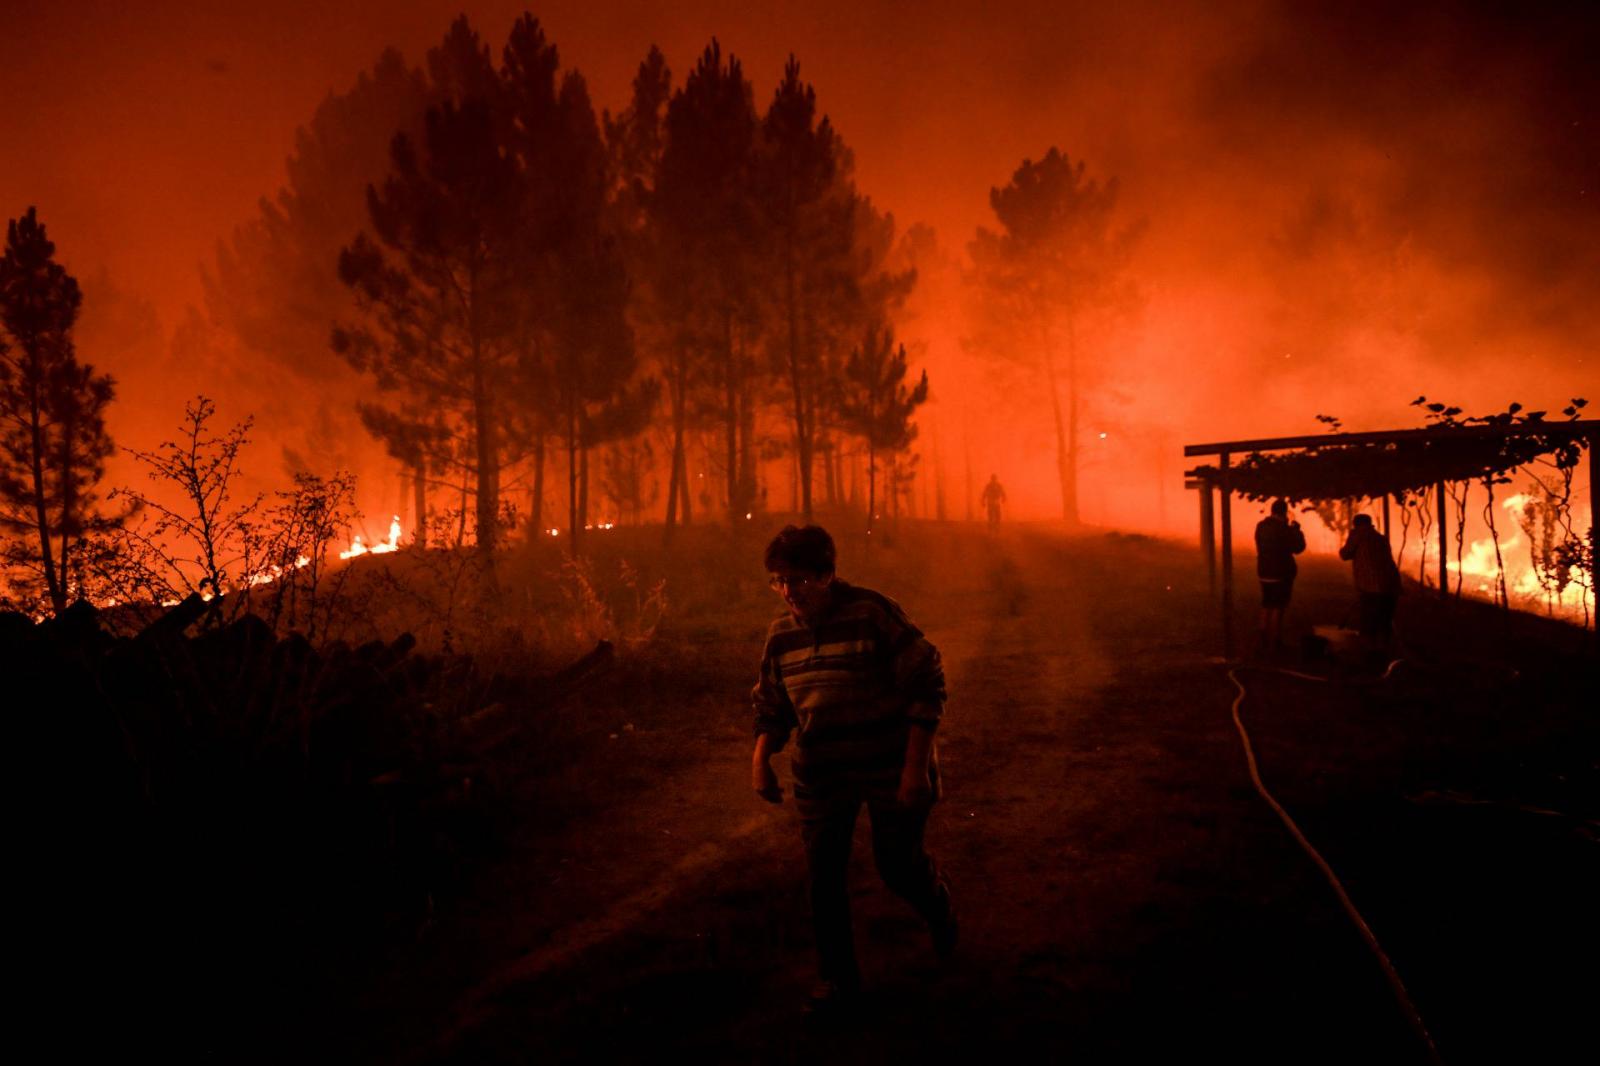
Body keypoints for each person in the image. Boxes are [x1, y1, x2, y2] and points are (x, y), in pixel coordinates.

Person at [751, 524, 956, 1015]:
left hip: (889, 764)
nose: (787, 592)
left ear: (826, 575)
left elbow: (927, 683)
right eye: (778, 581)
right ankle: (838, 981)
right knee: (824, 875)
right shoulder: (780, 636)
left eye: (797, 580)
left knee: (897, 864)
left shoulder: (871, 613)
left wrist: (915, 770)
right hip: (822, 772)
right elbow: (772, 707)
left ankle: (937, 906)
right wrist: (761, 761)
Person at [1339, 513, 1401, 656]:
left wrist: (1351, 537)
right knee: (1385, 621)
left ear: (1356, 525)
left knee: (1369, 622)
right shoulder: (1380, 538)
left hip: (1371, 587)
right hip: (1391, 585)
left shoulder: (1357, 535)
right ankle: (1384, 652)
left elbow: (1344, 554)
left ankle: (1370, 654)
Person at [1253, 499, 1306, 655]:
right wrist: (1296, 530)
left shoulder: (1261, 527)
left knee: (1266, 603)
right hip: (1281, 573)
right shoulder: (1284, 530)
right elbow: (1298, 548)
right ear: (1284, 512)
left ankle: (1262, 637)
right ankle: (1273, 641)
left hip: (1263, 571)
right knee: (1278, 607)